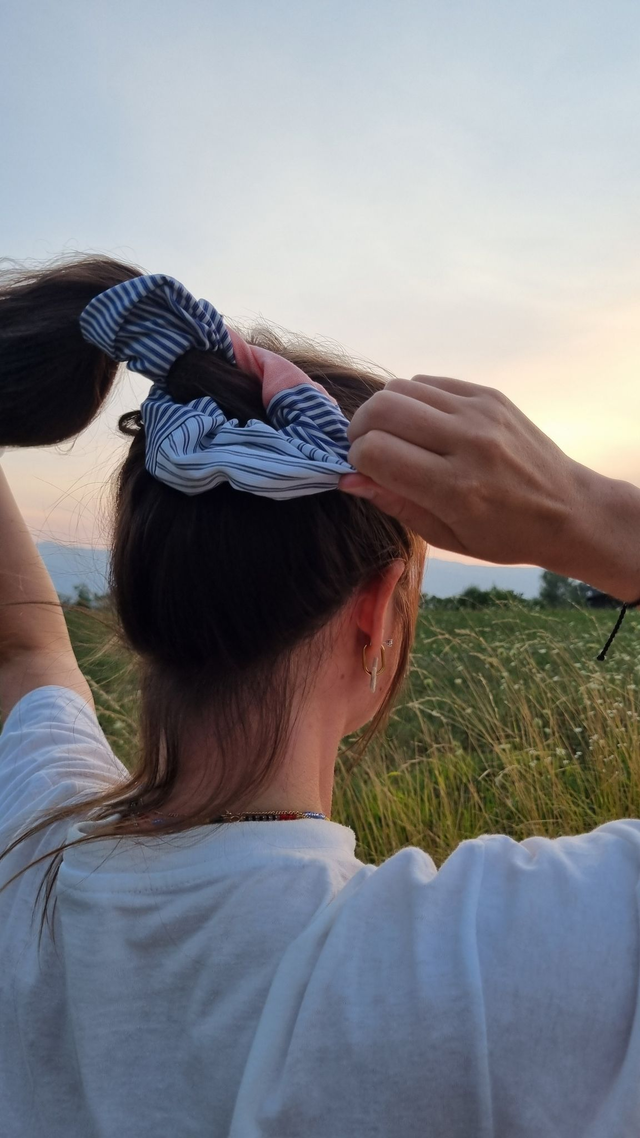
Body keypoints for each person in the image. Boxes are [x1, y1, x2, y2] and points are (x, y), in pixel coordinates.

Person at [1, 256, 640, 1138]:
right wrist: (590, 514)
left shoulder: (31, 853)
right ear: (377, 616)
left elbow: (24, 648)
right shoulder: (490, 973)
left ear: (136, 589)